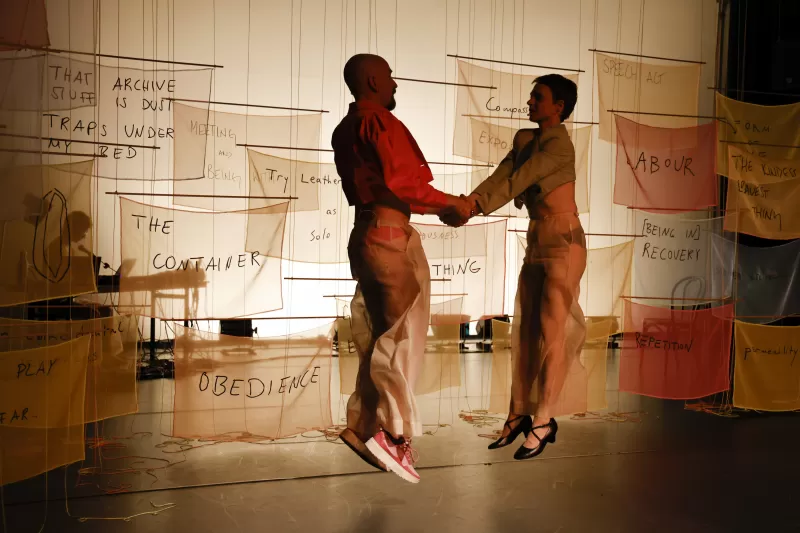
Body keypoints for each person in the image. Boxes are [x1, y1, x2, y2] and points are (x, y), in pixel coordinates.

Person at [331, 53, 473, 483]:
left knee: (382, 339)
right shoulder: (377, 122)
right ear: (373, 80)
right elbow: (404, 184)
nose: (395, 85)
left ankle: (365, 428)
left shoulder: (345, 127)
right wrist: (453, 203)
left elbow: (391, 186)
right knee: (401, 341)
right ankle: (393, 434)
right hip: (388, 236)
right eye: (391, 77)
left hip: (370, 234)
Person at [441, 74, 587, 460]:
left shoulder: (560, 144)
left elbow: (524, 177)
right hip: (537, 237)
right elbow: (503, 175)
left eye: (539, 97)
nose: (530, 101)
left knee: (553, 332)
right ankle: (518, 412)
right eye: (531, 96)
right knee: (525, 331)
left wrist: (472, 209)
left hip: (564, 239)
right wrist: (469, 200)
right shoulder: (525, 139)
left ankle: (544, 418)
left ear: (559, 106)